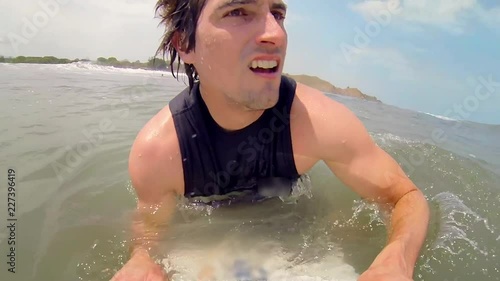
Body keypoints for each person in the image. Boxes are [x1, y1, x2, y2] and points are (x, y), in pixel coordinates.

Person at [111, 0, 430, 280]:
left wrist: (396, 260)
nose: (275, 34)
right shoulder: (159, 151)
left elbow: (405, 196)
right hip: (208, 239)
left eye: (277, 13)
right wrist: (141, 260)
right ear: (185, 44)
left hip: (297, 232)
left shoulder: (316, 123)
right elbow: (150, 230)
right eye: (238, 11)